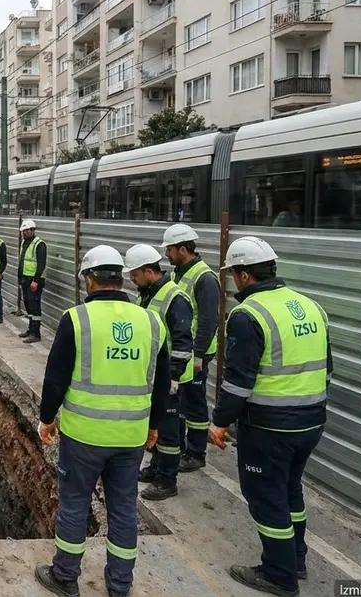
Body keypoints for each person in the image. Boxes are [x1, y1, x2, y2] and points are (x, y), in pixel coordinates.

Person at [35, 245, 171, 597]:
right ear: (121, 278)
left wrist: (47, 419)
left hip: (84, 436)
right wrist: (155, 425)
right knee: (124, 507)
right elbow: (160, 381)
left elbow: (55, 378)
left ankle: (65, 577)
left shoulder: (77, 319)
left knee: (75, 504)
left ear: (89, 279)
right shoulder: (151, 322)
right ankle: (120, 586)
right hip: (131, 437)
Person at [210, 236, 332, 597]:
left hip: (270, 427)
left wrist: (220, 422)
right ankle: (296, 559)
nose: (233, 280)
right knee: (290, 489)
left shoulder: (248, 315)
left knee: (266, 495)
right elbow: (327, 368)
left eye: (233, 274)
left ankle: (279, 575)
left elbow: (238, 381)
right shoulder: (311, 306)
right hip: (312, 422)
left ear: (244, 275)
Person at [125, 244, 195, 501]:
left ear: (148, 271)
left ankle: (167, 480)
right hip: (153, 376)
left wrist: (173, 378)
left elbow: (182, 342)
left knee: (169, 433)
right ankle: (156, 468)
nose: (131, 278)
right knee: (154, 426)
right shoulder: (146, 293)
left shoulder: (174, 297)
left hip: (169, 380)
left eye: (134, 273)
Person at [161, 223, 219, 473]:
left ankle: (196, 452)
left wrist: (198, 355)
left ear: (183, 249)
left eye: (170, 249)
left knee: (195, 402)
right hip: (183, 352)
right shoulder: (178, 273)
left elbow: (208, 320)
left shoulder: (204, 278)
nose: (166, 254)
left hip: (197, 353)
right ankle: (185, 447)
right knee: (183, 402)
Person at [18, 220, 48, 344]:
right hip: (25, 280)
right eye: (23, 231)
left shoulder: (39, 244)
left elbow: (41, 264)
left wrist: (35, 280)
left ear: (32, 230)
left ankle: (36, 333)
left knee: (35, 307)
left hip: (34, 281)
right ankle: (30, 330)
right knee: (28, 305)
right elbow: (23, 262)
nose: (24, 233)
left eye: (26, 231)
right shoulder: (25, 243)